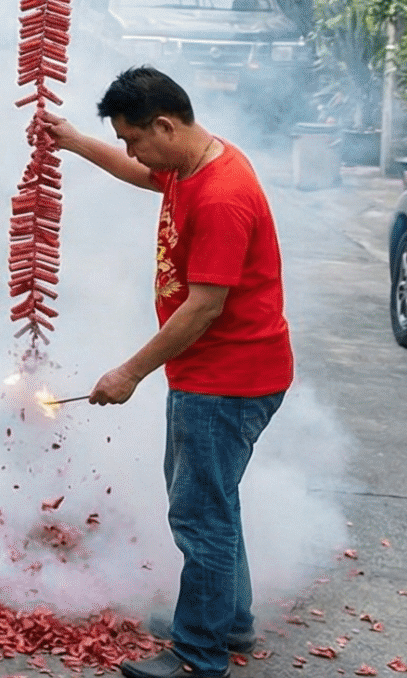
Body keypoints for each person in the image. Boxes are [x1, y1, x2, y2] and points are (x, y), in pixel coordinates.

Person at [44, 68, 293, 678]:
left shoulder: (222, 193)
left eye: (134, 138)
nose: (132, 152)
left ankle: (199, 656)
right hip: (219, 374)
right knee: (212, 501)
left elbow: (204, 306)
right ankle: (227, 618)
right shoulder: (189, 166)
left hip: (225, 380)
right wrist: (76, 141)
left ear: (165, 125)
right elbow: (142, 174)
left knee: (198, 515)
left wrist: (128, 372)